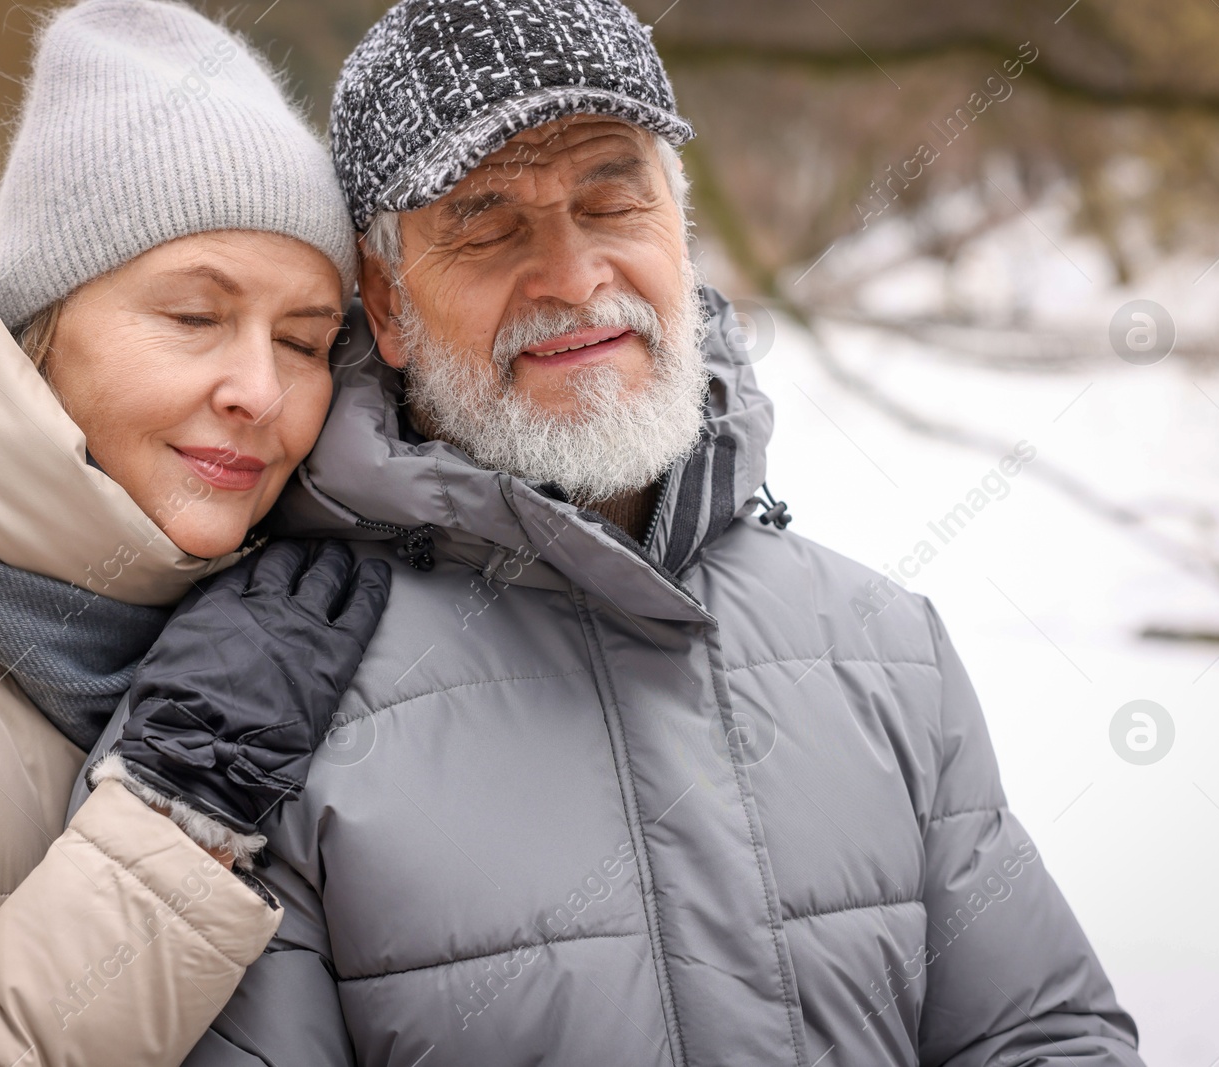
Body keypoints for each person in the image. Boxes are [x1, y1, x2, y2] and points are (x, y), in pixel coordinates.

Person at [141, 1, 1148, 1064]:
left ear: (679, 228)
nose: (575, 280)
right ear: (386, 303)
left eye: (613, 202)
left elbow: (1044, 1034)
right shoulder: (249, 708)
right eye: (487, 226)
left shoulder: (888, 647)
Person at [0, 2, 387, 1064]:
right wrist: (178, 815)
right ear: (38, 328)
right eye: (193, 317)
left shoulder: (254, 612)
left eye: (306, 340)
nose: (259, 391)